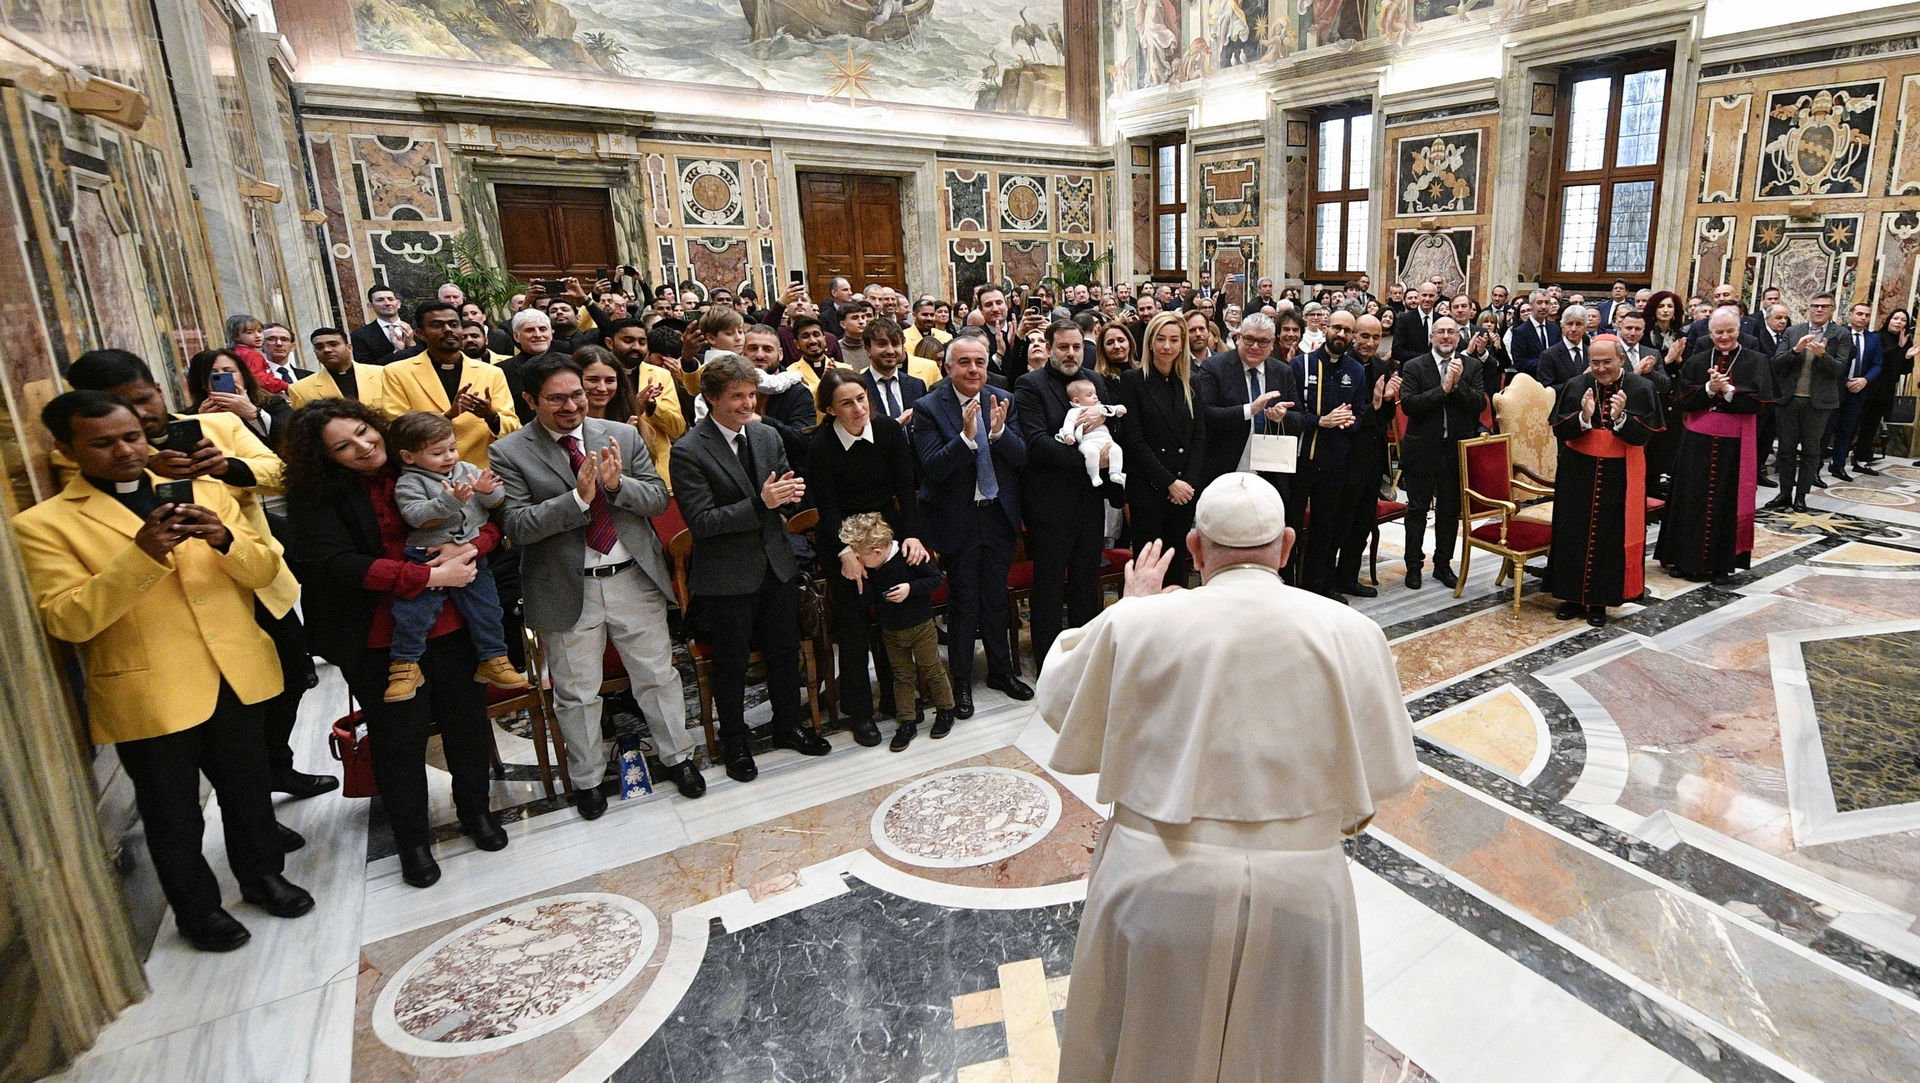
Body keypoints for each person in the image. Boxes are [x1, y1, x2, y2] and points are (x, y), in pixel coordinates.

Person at [1038, 478, 1418, 1083]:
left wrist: (1135, 603)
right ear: (1288, 545)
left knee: (1144, 1055)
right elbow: (1385, 769)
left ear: (1194, 549)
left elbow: (1058, 696)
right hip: (1301, 894)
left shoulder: (1142, 623)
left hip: (1159, 884)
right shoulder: (1353, 633)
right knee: (1291, 1059)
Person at [19, 391, 313, 952]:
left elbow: (264, 568)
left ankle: (263, 877)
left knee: (248, 790)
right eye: (102, 443)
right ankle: (197, 911)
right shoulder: (45, 524)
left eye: (132, 436)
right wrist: (141, 556)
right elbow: (68, 619)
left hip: (234, 670)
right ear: (65, 448)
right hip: (148, 686)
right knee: (173, 813)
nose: (125, 451)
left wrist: (225, 539)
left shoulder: (203, 492)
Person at [63, 350, 325, 802]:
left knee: (294, 677)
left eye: (144, 398)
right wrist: (145, 466)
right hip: (175, 609)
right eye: (119, 405)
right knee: (232, 713)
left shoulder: (216, 427)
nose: (140, 414)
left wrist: (223, 467)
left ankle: (276, 767)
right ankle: (253, 795)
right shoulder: (84, 455)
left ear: (159, 390)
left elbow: (279, 474)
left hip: (253, 577)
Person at [285, 399, 505, 887]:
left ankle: (477, 813)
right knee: (398, 743)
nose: (364, 447)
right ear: (324, 457)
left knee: (467, 725)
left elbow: (488, 521)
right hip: (377, 635)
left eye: (365, 432)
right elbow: (332, 563)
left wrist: (470, 549)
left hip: (454, 622)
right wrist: (425, 575)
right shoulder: (317, 495)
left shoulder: (425, 462)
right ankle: (413, 842)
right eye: (344, 445)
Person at [491, 354, 707, 813]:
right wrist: (576, 499)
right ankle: (587, 780)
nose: (571, 406)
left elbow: (655, 498)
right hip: (568, 588)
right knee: (576, 692)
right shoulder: (509, 451)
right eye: (557, 399)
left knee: (658, 677)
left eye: (578, 395)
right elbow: (517, 526)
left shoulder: (623, 435)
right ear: (530, 400)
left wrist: (616, 486)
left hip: (633, 578)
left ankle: (678, 756)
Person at [670, 354, 833, 782]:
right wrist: (763, 502)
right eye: (736, 397)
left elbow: (782, 490)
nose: (747, 404)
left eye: (750, 394)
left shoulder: (763, 435)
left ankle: (787, 725)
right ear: (709, 399)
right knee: (732, 662)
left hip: (774, 562)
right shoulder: (688, 450)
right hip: (725, 575)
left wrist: (792, 494)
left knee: (783, 650)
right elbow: (702, 522)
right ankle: (735, 742)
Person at [910, 331, 1033, 716]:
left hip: (996, 515)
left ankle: (1001, 671)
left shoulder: (1004, 399)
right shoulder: (929, 407)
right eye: (964, 362)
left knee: (995, 598)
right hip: (956, 518)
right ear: (948, 367)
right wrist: (966, 438)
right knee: (963, 602)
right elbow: (933, 467)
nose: (973, 369)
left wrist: (997, 432)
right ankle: (960, 683)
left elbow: (1021, 457)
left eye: (980, 362)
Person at [808, 367, 926, 744]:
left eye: (862, 398)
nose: (858, 408)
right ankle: (859, 713)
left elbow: (907, 489)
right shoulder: (822, 445)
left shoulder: (888, 431)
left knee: (894, 616)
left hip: (887, 535)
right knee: (855, 627)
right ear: (830, 410)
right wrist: (845, 552)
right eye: (847, 402)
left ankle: (896, 698)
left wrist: (913, 537)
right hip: (841, 539)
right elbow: (825, 509)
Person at [386, 411, 528, 700]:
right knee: (415, 611)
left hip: (470, 555)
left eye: (452, 448)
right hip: (428, 556)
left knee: (487, 606)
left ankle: (494, 659)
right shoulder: (410, 482)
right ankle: (405, 664)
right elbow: (415, 517)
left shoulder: (467, 469)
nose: (449, 456)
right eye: (438, 452)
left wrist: (488, 493)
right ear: (409, 456)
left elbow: (495, 505)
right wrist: (449, 502)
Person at [1015, 320, 1118, 671]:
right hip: (1049, 502)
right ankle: (1049, 660)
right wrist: (1091, 458)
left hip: (1090, 498)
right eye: (1063, 347)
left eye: (1076, 346)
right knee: (1049, 584)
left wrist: (1105, 449)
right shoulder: (1029, 385)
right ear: (1049, 347)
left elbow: (1109, 423)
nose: (1071, 353)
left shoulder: (1095, 380)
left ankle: (1086, 655)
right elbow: (1037, 443)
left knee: (1087, 580)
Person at [1547, 336, 1664, 627]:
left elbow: (1646, 435)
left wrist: (1622, 418)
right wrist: (1584, 418)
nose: (1600, 369)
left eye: (1606, 362)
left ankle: (1600, 601)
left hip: (1619, 474)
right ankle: (1570, 596)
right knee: (1571, 532)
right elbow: (1560, 430)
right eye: (1595, 362)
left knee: (1609, 536)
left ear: (1621, 360)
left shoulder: (1641, 387)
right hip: (1577, 472)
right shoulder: (1576, 385)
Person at [1658, 310, 1777, 580]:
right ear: (1710, 333)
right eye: (1718, 332)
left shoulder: (1757, 361)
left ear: (1739, 331)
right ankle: (1683, 560)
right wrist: (1709, 389)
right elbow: (1681, 399)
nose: (1724, 337)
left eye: (1730, 331)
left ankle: (1720, 564)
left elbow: (1763, 402)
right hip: (1696, 442)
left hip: (1734, 445)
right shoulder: (1698, 361)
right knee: (1690, 498)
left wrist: (1730, 391)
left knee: (1726, 501)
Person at [838, 513, 952, 752]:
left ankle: (945, 710)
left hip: (921, 628)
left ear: (877, 551)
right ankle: (907, 721)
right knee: (901, 676)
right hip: (891, 632)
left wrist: (910, 588)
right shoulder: (870, 568)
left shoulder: (909, 555)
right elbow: (869, 599)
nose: (857, 560)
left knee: (932, 669)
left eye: (860, 555)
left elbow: (936, 580)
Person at [1117, 312, 1206, 589]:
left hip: (1182, 492)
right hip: (1149, 488)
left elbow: (1199, 437)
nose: (1167, 346)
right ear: (1150, 343)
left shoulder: (1192, 382)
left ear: (1182, 345)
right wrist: (1169, 482)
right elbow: (1134, 439)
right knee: (1149, 564)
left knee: (1177, 561)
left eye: (1174, 340)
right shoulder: (1133, 380)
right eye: (1161, 339)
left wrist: (1187, 482)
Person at [1397, 316, 1486, 590]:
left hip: (1454, 450)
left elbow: (1478, 405)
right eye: (1441, 332)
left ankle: (1443, 564)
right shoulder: (1414, 366)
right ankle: (1413, 566)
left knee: (1450, 511)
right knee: (1417, 510)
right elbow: (1410, 405)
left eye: (1451, 332)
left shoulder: (1470, 366)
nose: (1446, 337)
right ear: (1432, 337)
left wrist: (1458, 385)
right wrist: (1443, 388)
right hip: (1422, 449)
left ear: (1458, 337)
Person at [381, 300, 521, 469]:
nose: (448, 330)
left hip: (485, 471)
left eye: (454, 324)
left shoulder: (491, 373)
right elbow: (398, 430)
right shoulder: (397, 373)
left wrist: (492, 417)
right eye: (437, 325)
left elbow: (514, 427)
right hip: (430, 476)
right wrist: (447, 416)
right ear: (420, 333)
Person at [1290, 309, 1369, 599]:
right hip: (1301, 460)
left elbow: (1359, 414)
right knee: (1292, 525)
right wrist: (1320, 421)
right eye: (1337, 328)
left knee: (1326, 528)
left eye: (1348, 331)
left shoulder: (1356, 370)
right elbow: (1292, 412)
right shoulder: (1302, 365)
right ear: (1326, 329)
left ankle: (1318, 587)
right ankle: (1287, 586)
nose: (1341, 334)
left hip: (1335, 461)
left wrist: (1350, 422)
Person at [1195, 312, 1304, 505]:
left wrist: (1281, 417)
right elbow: (1205, 415)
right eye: (1249, 339)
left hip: (1269, 474)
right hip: (1225, 471)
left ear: (1272, 344)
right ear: (1238, 338)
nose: (1255, 346)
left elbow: (1299, 419)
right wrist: (1249, 410)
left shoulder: (1282, 371)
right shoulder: (1214, 366)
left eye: (1263, 341)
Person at [1766, 295, 1850, 512]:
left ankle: (1801, 496)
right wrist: (1795, 350)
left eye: (1824, 307)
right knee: (1785, 450)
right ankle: (1785, 493)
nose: (1819, 310)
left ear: (1832, 310)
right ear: (1808, 308)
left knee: (1811, 451)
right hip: (1789, 399)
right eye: (1815, 306)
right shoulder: (1794, 331)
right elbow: (1776, 363)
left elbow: (1840, 369)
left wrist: (1823, 355)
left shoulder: (1841, 334)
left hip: (1819, 403)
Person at [1334, 314, 1397, 597]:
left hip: (1371, 456)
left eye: (1375, 337)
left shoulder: (1382, 367)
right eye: (1364, 336)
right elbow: (1347, 415)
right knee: (1340, 521)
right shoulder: (1341, 364)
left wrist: (1387, 402)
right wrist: (1373, 406)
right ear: (1353, 336)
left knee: (1362, 523)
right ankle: (1327, 578)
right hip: (1343, 455)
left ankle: (1348, 577)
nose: (1369, 343)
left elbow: (1385, 418)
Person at [600, 319, 686, 487]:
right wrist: (634, 410)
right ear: (610, 343)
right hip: (611, 467)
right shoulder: (596, 376)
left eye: (642, 342)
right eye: (628, 340)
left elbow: (677, 430)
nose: (636, 347)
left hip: (658, 471)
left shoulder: (661, 375)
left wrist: (653, 407)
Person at [188, 348, 291, 448]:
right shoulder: (189, 417)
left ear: (243, 375)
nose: (222, 376)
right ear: (200, 381)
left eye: (229, 371)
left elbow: (292, 438)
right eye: (213, 374)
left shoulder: (273, 403)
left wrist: (253, 414)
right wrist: (202, 423)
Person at [1826, 302, 1883, 483]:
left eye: (1866, 315)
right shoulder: (1837, 333)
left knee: (1847, 430)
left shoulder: (1873, 338)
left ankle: (1838, 465)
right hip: (1835, 388)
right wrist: (1844, 381)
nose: (1863, 318)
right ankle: (1815, 467)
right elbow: (1831, 361)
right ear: (1850, 315)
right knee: (1826, 429)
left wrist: (1865, 380)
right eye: (1859, 314)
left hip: (1858, 390)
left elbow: (1878, 364)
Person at [1855, 309, 1914, 475]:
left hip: (1886, 389)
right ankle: (1838, 458)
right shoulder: (1876, 336)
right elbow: (1878, 359)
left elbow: (1905, 370)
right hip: (1869, 385)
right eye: (1896, 318)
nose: (1899, 322)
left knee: (1871, 425)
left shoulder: (1906, 341)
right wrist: (1899, 348)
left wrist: (1907, 356)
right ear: (1889, 319)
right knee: (1853, 423)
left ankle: (1862, 459)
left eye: (1903, 320)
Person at [289, 327, 389, 414]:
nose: (327, 350)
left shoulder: (382, 374)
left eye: (333, 344)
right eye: (320, 347)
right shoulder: (300, 389)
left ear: (349, 348)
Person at [1058, 377, 1128, 486]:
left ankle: (1115, 472)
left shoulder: (1100, 407)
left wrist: (1118, 409)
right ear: (1077, 401)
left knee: (1116, 450)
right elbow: (1069, 423)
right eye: (1089, 395)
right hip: (1088, 442)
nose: (1095, 397)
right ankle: (1094, 475)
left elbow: (1113, 409)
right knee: (1091, 453)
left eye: (1095, 393)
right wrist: (1068, 435)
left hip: (1106, 440)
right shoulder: (1075, 411)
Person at [860, 318, 928, 425]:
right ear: (868, 349)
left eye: (896, 344)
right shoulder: (859, 387)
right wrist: (896, 425)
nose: (890, 351)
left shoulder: (917, 386)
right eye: (882, 344)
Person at [224, 315, 288, 394]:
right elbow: (259, 379)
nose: (257, 336)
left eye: (260, 331)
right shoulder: (250, 354)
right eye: (250, 333)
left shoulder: (235, 352)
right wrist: (285, 385)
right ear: (236, 336)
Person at [1533, 305, 1593, 389]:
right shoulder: (1549, 355)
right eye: (1569, 324)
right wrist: (1580, 380)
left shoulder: (1591, 353)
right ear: (1562, 326)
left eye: (1579, 324)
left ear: (1586, 327)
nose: (1573, 329)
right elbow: (1546, 390)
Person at [352, 285, 414, 364]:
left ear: (398, 304)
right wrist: (397, 352)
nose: (387, 303)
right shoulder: (360, 335)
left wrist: (411, 345)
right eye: (380, 300)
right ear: (371, 306)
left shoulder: (415, 328)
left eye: (390, 299)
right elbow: (366, 367)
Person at [1508, 289, 1562, 377]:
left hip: (1554, 382)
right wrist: (1547, 363)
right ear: (1531, 305)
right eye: (1539, 302)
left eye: (1547, 303)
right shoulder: (1520, 332)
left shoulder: (1555, 329)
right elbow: (1520, 363)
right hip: (1532, 381)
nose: (1544, 307)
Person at [260, 323, 307, 388]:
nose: (279, 343)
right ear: (262, 345)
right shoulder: (253, 378)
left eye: (284, 339)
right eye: (271, 339)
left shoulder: (309, 377)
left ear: (293, 346)